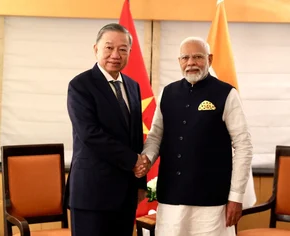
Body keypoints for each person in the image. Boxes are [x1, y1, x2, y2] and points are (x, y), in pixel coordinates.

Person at [139, 37, 253, 236]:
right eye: (185, 57)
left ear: (209, 58)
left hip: (212, 202)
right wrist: (146, 158)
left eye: (197, 57)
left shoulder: (226, 94)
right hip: (171, 199)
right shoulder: (168, 93)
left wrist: (236, 197)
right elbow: (156, 136)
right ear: (179, 61)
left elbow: (244, 146)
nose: (191, 62)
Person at [66, 23, 150, 236]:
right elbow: (90, 134)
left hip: (125, 194)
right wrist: (134, 161)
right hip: (92, 193)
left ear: (130, 52)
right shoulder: (80, 85)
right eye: (109, 47)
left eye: (123, 49)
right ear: (96, 49)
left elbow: (134, 136)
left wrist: (140, 182)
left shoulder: (132, 86)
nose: (116, 54)